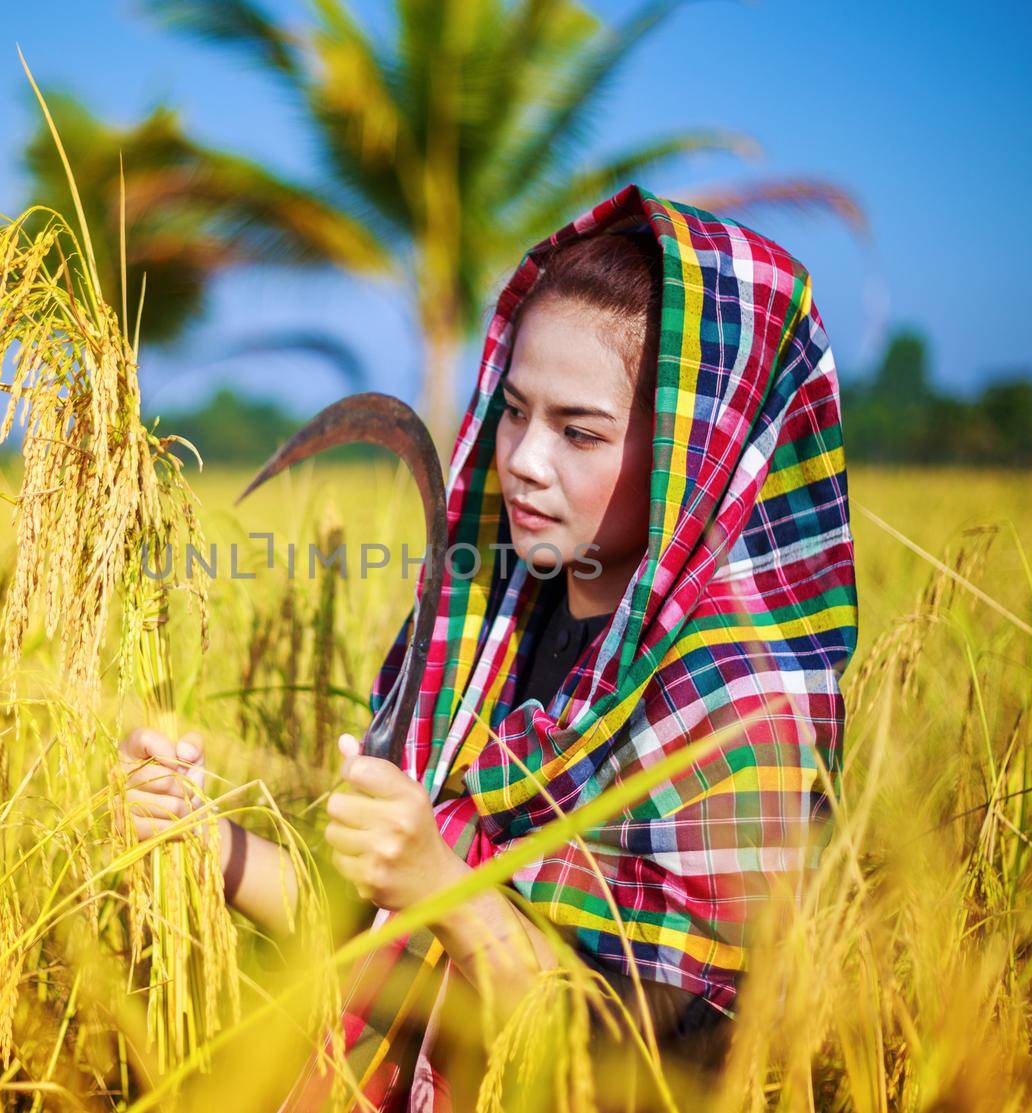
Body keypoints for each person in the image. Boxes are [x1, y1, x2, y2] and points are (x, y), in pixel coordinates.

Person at [122, 183, 857, 1109]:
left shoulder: (740, 716)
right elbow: (363, 933)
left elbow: (654, 1075)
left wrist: (444, 883)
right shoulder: (478, 632)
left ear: (694, 455)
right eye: (514, 411)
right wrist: (197, 837)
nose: (524, 459)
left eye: (579, 430)